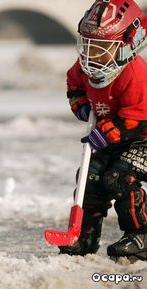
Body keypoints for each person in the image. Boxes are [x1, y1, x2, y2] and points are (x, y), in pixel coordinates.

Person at [59, 0, 147, 262]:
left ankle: (140, 234)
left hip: (141, 140)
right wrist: (82, 108)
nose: (91, 56)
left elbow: (138, 118)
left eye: (100, 49)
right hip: (112, 138)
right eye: (87, 46)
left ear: (126, 47)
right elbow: (74, 86)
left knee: (117, 178)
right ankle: (85, 236)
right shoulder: (85, 67)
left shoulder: (135, 75)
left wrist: (108, 131)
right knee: (90, 178)